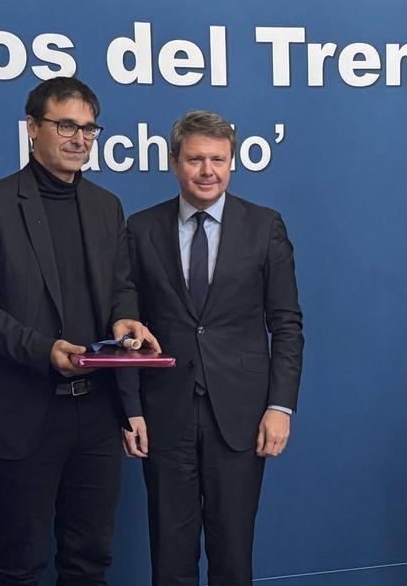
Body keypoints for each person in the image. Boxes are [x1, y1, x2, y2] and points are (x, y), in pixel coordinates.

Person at [0, 76, 159, 585]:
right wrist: (43, 350)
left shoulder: (106, 207)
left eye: (89, 129)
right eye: (66, 125)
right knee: (18, 563)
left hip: (95, 413)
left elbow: (122, 290)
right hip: (23, 412)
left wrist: (124, 320)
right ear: (33, 128)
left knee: (89, 560)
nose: (80, 139)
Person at [119, 110, 304, 586]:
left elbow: (286, 324)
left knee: (233, 553)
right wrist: (130, 408)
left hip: (241, 416)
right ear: (174, 162)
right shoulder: (141, 230)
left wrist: (280, 406)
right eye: (196, 159)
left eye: (218, 159)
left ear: (232, 162)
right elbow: (126, 329)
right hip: (165, 413)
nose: (208, 171)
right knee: (170, 553)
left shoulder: (265, 227)